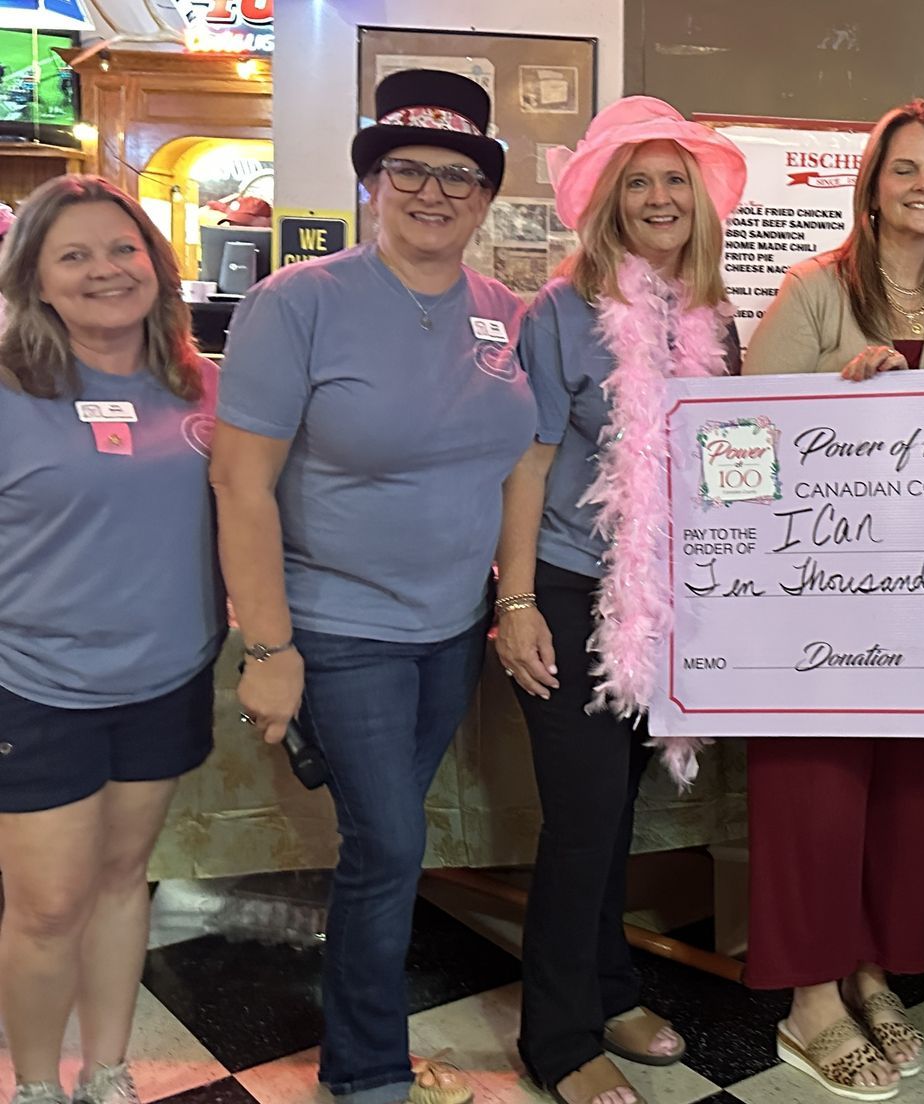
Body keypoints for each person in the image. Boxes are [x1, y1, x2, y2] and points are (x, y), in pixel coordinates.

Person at [208, 70, 533, 1104]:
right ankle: (366, 1072)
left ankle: (365, 1053)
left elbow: (525, 454)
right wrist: (268, 647)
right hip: (339, 627)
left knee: (389, 839)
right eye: (408, 171)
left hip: (451, 628)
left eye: (458, 176)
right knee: (389, 846)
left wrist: (511, 599)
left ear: (485, 198)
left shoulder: (503, 313)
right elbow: (240, 482)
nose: (433, 193)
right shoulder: (296, 303)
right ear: (372, 183)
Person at [739, 97, 924, 1101]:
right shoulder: (813, 289)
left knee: (907, 797)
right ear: (873, 186)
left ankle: (870, 968)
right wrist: (829, 396)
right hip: (812, 601)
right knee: (815, 793)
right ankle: (810, 998)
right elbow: (737, 441)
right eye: (906, 168)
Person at [493, 96, 746, 1104]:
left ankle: (609, 987)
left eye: (673, 179)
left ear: (698, 200)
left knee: (618, 813)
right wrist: (514, 602)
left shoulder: (714, 316)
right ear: (607, 203)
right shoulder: (556, 313)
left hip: (663, 596)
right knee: (584, 817)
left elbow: (723, 461)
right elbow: (529, 459)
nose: (657, 196)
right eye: (637, 181)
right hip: (564, 584)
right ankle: (556, 1038)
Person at [0, 175, 221, 1104]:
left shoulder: (202, 382)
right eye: (75, 255)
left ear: (157, 266)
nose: (105, 270)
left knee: (126, 880)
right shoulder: (10, 389)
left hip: (165, 677)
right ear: (37, 280)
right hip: (37, 685)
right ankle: (39, 1083)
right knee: (47, 905)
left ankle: (108, 1066)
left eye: (123, 248)